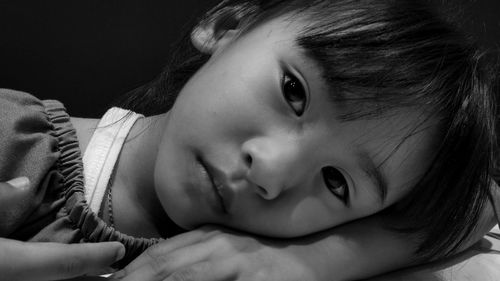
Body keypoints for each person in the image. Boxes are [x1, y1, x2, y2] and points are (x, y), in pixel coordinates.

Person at [0, 0, 498, 280]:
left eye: (336, 182)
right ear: (227, 25)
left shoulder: (267, 258)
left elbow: (482, 202)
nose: (271, 171)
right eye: (293, 91)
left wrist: (317, 259)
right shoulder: (15, 137)